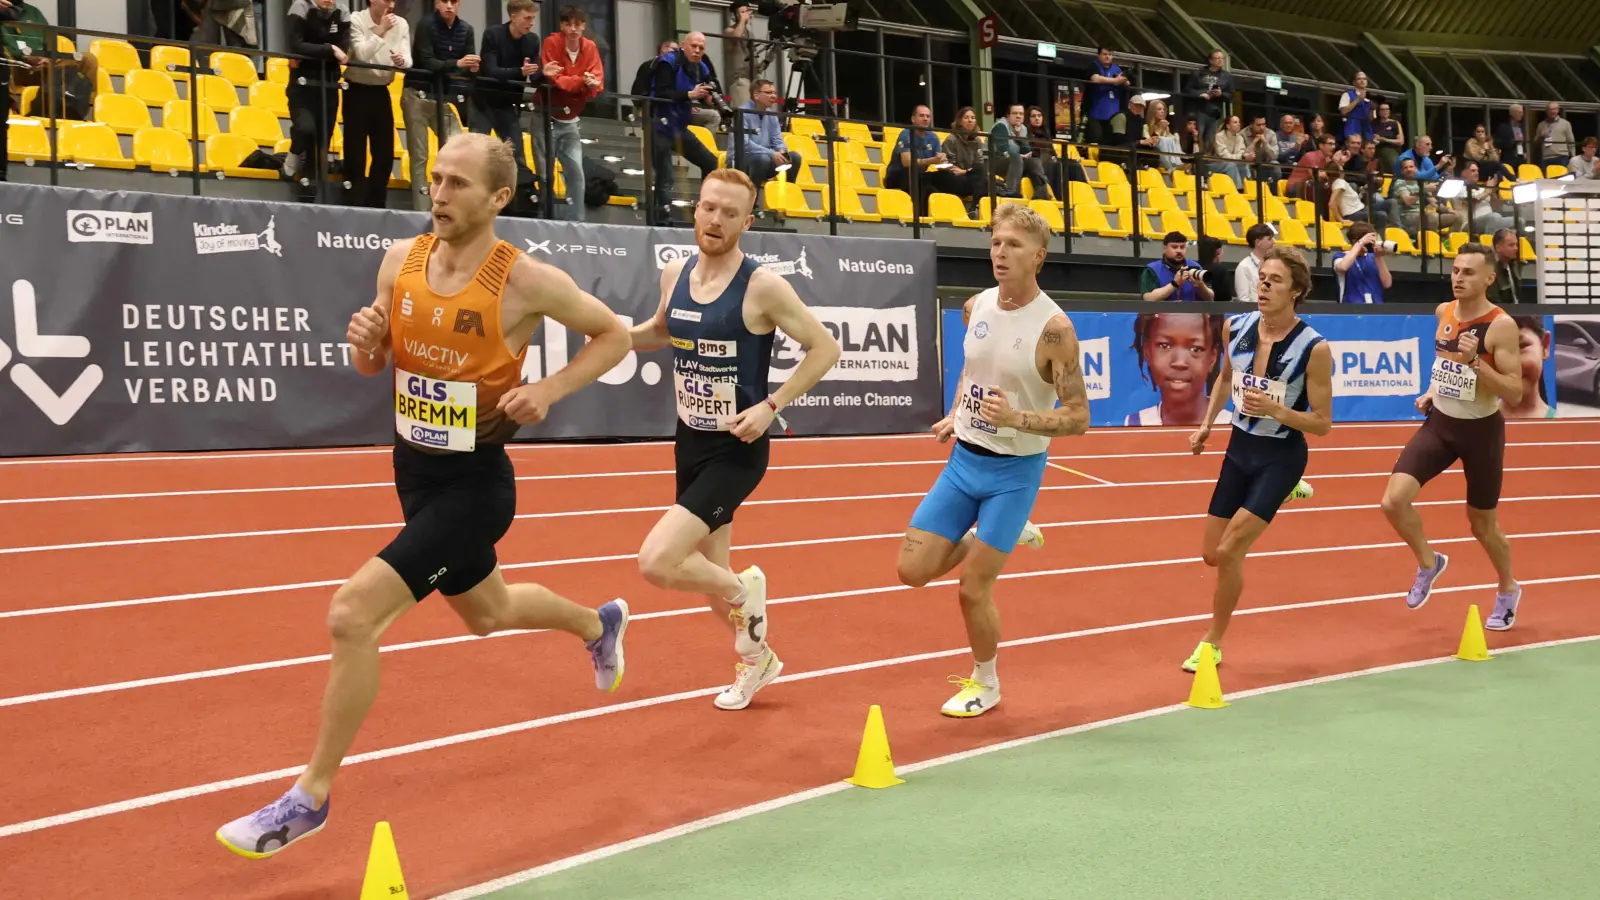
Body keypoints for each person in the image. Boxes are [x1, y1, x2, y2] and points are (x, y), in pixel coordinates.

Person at [215, 133, 633, 859]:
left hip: (476, 485)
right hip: (413, 468)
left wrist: (549, 388)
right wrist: (365, 341)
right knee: (488, 613)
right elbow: (372, 360)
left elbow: (614, 336)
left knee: (352, 615)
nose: (437, 194)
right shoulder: (399, 262)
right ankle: (597, 627)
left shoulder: (526, 279)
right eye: (435, 179)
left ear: (499, 198)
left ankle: (309, 796)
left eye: (458, 184)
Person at [627, 168, 842, 711]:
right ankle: (758, 661)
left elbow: (825, 348)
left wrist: (772, 406)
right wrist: (614, 337)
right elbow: (659, 329)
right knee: (706, 579)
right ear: (694, 210)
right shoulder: (674, 273)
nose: (715, 219)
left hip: (737, 449)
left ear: (747, 221)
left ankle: (747, 592)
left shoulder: (762, 285)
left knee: (657, 561)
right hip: (689, 441)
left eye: (729, 212)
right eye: (707, 207)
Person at [896, 204, 1091, 717]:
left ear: (1039, 257)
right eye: (996, 243)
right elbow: (972, 365)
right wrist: (957, 408)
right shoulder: (976, 305)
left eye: (1014, 245)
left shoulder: (1054, 329)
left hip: (1013, 473)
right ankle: (996, 536)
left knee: (970, 588)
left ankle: (986, 682)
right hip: (963, 461)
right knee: (911, 571)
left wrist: (1016, 419)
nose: (1000, 253)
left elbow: (1078, 418)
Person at [1183, 246, 1333, 673]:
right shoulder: (1238, 326)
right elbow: (1226, 377)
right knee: (1211, 554)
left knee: (1230, 552)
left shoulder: (1314, 348)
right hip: (1238, 448)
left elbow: (1322, 424)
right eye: (1262, 278)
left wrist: (1278, 411)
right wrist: (1207, 425)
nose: (1264, 286)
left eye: (1275, 281)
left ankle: (1212, 642)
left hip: (1281, 455)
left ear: (1297, 291)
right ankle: (1284, 494)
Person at [1380, 243, 1524, 629]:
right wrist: (1431, 391)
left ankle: (1508, 588)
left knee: (1482, 525)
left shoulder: (1501, 325)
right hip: (1442, 424)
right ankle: (1430, 562)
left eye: (1469, 272)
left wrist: (1476, 361)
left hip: (1481, 432)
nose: (1459, 278)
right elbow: (1443, 362)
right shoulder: (1443, 311)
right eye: (1456, 270)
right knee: (1393, 501)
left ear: (1489, 278)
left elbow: (1514, 392)